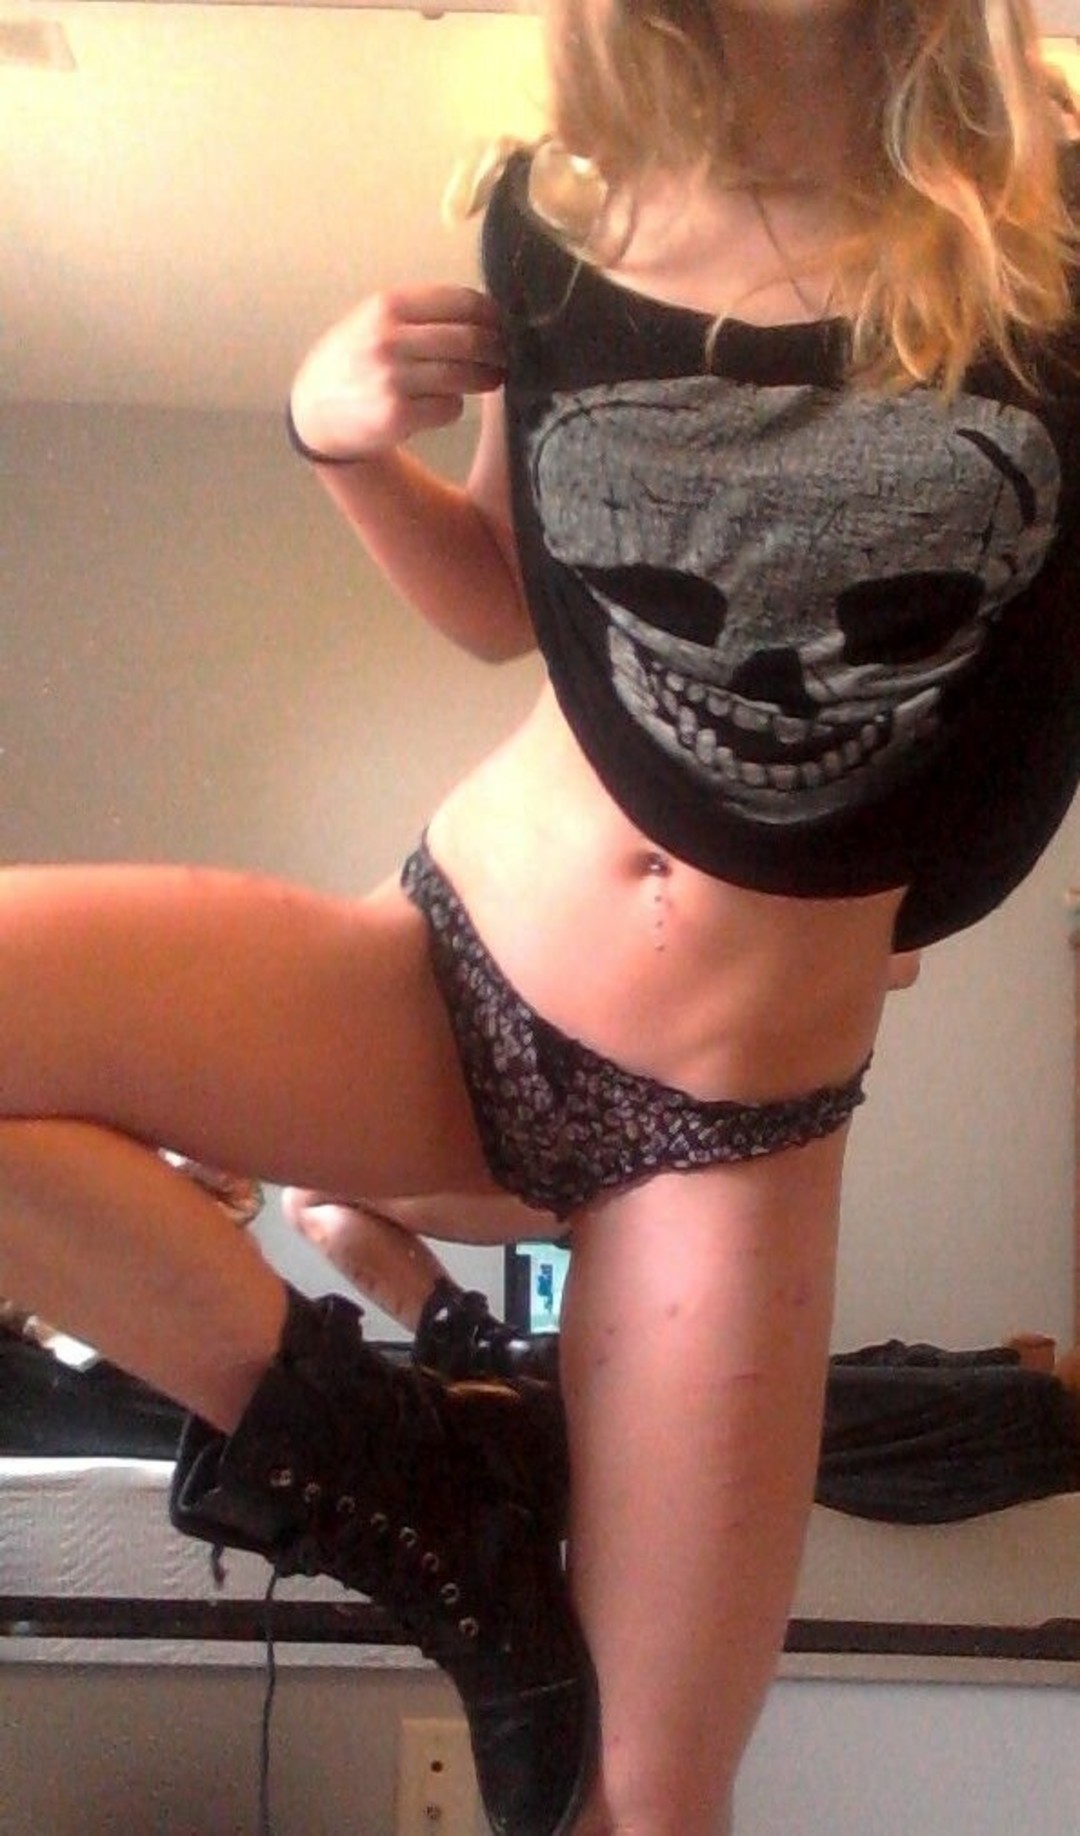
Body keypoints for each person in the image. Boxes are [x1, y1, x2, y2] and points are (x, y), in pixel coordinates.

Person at [2, 4, 1080, 1834]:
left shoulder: (1048, 226)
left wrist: (940, 856)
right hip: (455, 969)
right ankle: (423, 1484)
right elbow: (512, 602)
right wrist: (338, 445)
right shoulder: (562, 209)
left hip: (727, 1130)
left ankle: (459, 1459)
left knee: (638, 1802)